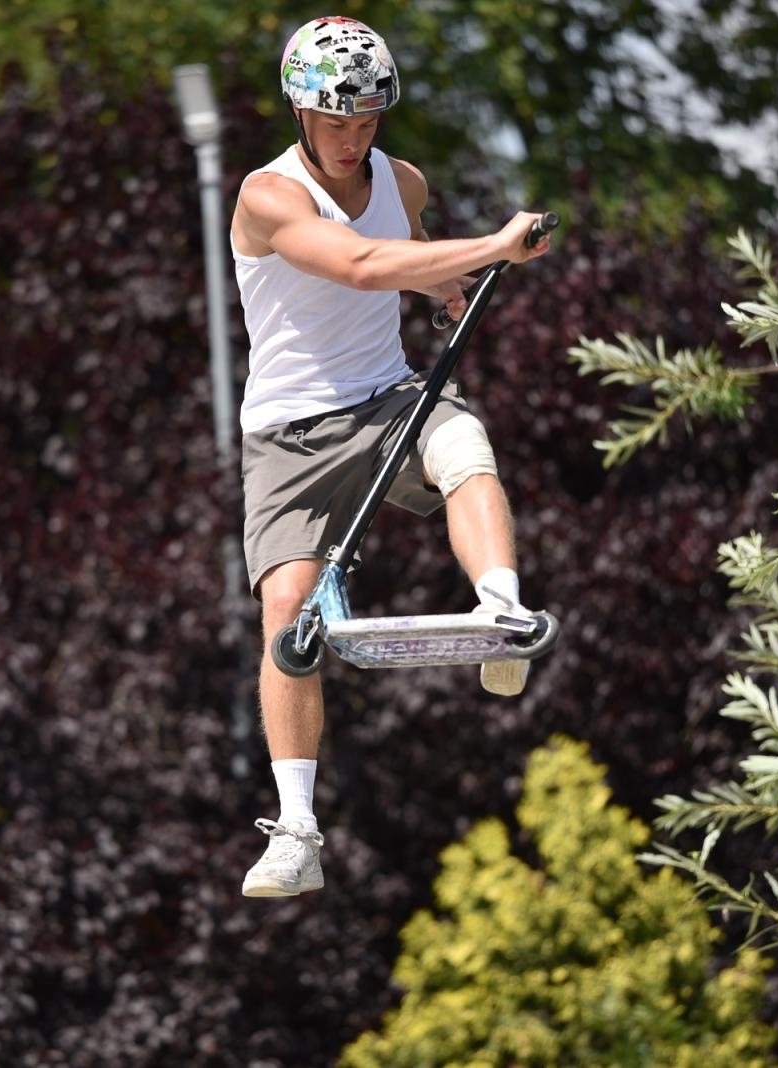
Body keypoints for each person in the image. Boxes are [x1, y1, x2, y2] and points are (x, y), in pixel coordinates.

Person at [230, 15, 553, 898]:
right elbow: (365, 265)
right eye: (336, 122)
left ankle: (502, 616)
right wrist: (491, 246)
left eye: (367, 121)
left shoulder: (401, 180)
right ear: (301, 110)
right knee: (288, 614)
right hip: (289, 434)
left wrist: (450, 289)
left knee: (465, 443)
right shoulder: (270, 196)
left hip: (385, 401)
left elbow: (407, 258)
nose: (352, 139)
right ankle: (296, 830)